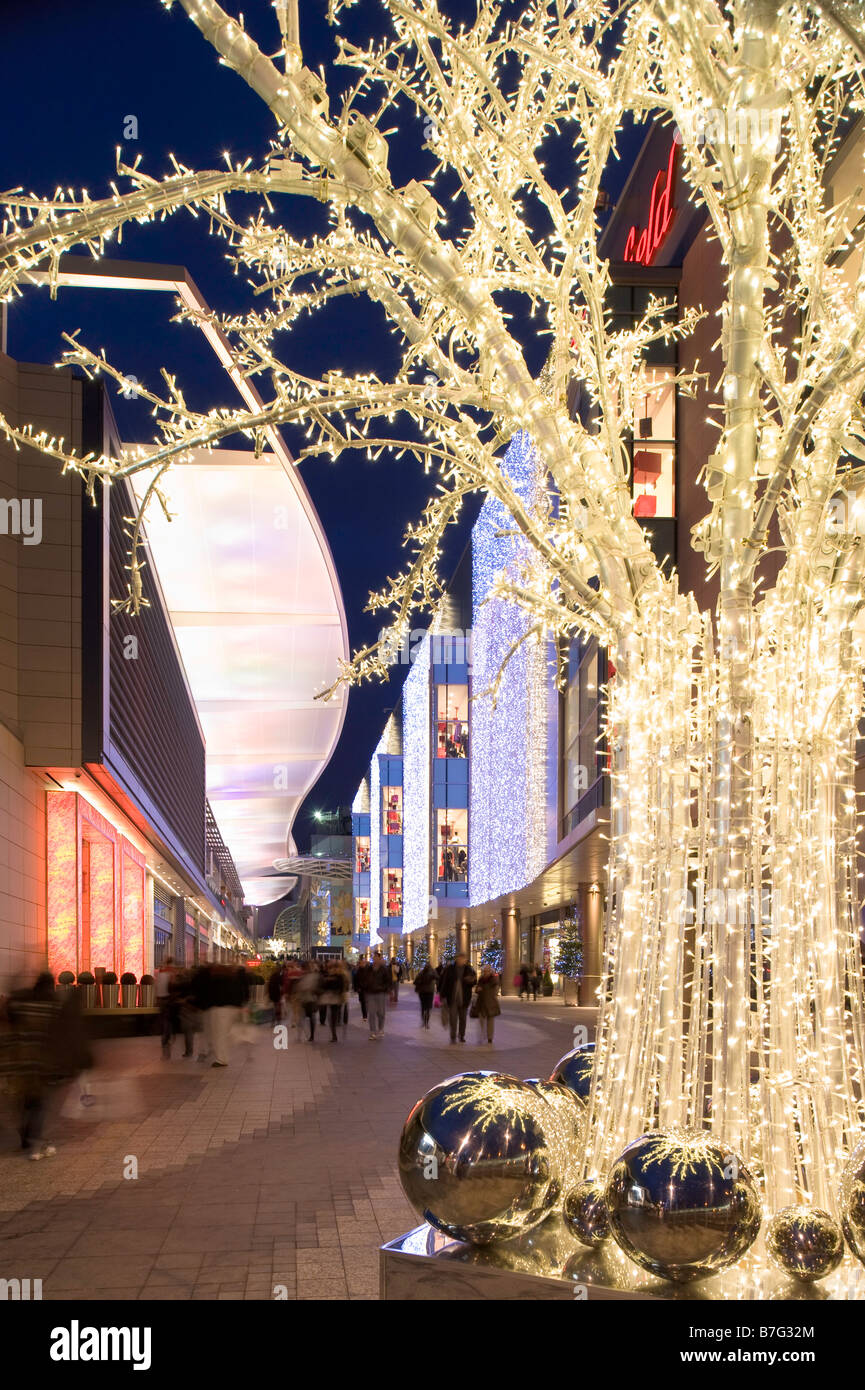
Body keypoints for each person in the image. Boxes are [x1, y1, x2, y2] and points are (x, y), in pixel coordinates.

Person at [1, 972, 63, 1158]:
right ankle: (34, 1138)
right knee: (39, 1102)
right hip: (40, 1062)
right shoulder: (52, 1007)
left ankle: (25, 1132)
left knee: (25, 1099)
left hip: (20, 1059)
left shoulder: (22, 1004)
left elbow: (10, 1024)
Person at [438, 952, 477, 1044]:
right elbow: (444, 982)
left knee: (463, 1018)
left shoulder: (469, 969)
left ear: (465, 960)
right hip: (452, 998)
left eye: (463, 959)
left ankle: (461, 1035)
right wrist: (442, 995)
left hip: (464, 998)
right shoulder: (450, 969)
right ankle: (453, 1036)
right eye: (460, 959)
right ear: (457, 959)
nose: (461, 960)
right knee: (453, 1018)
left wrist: (471, 980)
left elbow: (474, 981)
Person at [319, 960, 349, 1042]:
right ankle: (334, 1033)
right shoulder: (334, 975)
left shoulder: (339, 975)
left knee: (333, 1015)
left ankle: (334, 1034)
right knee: (333, 1015)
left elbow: (342, 986)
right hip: (333, 997)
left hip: (335, 997)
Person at [364, 951, 391, 1039]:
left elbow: (388, 981)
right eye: (373, 957)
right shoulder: (369, 969)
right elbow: (365, 979)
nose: (375, 959)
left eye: (376, 957)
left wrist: (385, 988)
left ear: (380, 959)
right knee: (371, 1013)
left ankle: (381, 1028)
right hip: (371, 993)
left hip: (380, 993)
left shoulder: (384, 969)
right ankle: (372, 1032)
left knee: (380, 1013)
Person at [155, 955, 177, 1058]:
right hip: (169, 1000)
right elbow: (173, 986)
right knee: (168, 1022)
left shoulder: (160, 972)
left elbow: (157, 987)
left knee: (164, 1021)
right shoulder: (172, 972)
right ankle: (169, 1037)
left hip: (161, 1000)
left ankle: (165, 1042)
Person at [294, 962, 321, 1042]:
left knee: (310, 1017)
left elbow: (317, 987)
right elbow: (298, 987)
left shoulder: (313, 977)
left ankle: (311, 1035)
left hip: (311, 999)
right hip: (304, 1000)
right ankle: (301, 1035)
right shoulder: (302, 977)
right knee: (303, 1018)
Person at [474, 966, 501, 1044]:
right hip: (481, 1003)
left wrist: (482, 988)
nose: (485, 973)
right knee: (481, 1020)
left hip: (490, 1003)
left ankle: (490, 1037)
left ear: (490, 972)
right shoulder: (481, 979)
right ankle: (482, 1035)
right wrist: (478, 989)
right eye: (484, 971)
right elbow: (477, 989)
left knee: (490, 1021)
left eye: (487, 971)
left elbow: (494, 991)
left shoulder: (494, 980)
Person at [414, 961, 436, 1029]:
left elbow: (415, 982)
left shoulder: (421, 973)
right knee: (428, 1008)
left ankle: (424, 1021)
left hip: (423, 992)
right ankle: (426, 1022)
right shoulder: (432, 973)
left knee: (423, 1007)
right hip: (429, 992)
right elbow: (438, 977)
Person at [352, 956, 368, 1020]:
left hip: (366, 989)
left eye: (363, 963)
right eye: (361, 963)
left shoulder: (367, 971)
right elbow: (355, 980)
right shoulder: (357, 972)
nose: (362, 964)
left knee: (365, 1002)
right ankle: (365, 1015)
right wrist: (356, 988)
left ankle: (365, 1015)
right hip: (361, 989)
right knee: (363, 1002)